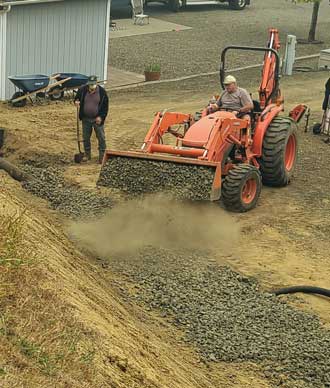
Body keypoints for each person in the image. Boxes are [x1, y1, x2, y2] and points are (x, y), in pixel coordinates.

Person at [74, 75, 109, 163]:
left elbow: (105, 107)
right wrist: (76, 102)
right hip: (86, 119)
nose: (91, 87)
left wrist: (101, 117)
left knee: (101, 138)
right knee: (86, 137)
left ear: (96, 83)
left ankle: (102, 157)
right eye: (90, 84)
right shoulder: (82, 90)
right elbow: (76, 98)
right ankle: (87, 155)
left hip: (97, 119)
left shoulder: (102, 92)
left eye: (93, 85)